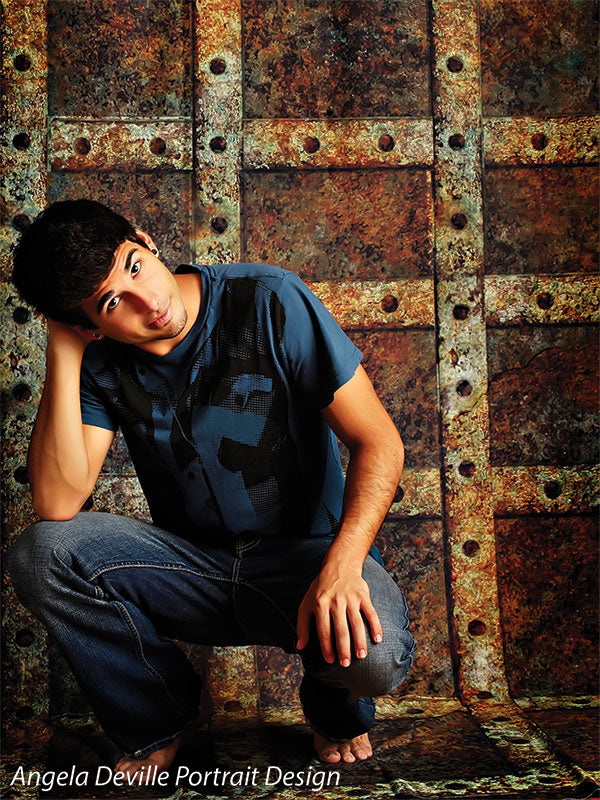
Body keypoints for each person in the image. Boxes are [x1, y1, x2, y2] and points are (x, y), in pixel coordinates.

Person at [6, 199, 416, 776]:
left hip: (306, 560)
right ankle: (159, 716)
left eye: (133, 267)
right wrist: (64, 349)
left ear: (145, 241)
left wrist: (345, 565)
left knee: (379, 656)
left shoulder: (269, 299)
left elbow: (380, 442)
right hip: (193, 570)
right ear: (87, 324)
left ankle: (332, 707)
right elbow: (56, 501)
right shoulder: (98, 360)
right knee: (41, 554)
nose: (147, 302)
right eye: (112, 303)